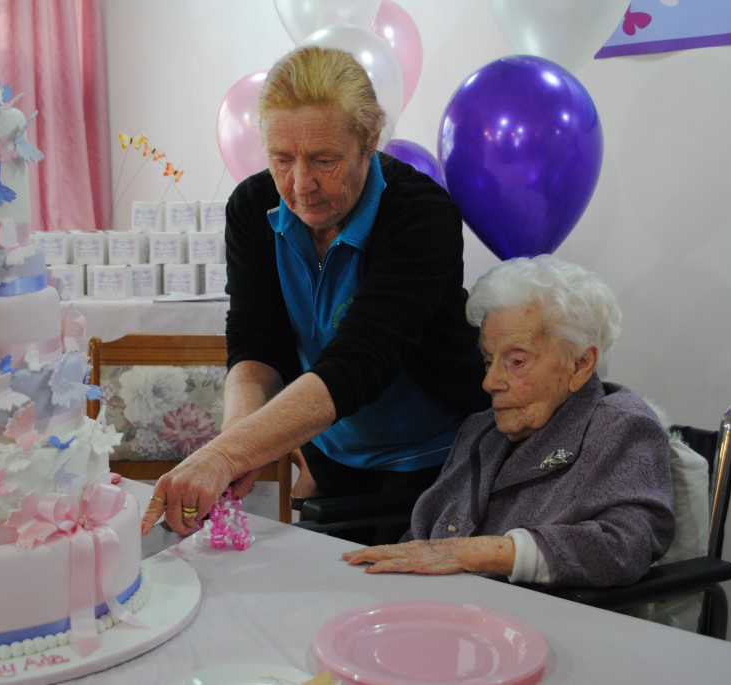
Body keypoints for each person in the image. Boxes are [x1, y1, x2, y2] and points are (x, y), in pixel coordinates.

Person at [141, 46, 488, 536]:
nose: (301, 185)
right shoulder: (252, 208)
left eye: (324, 160)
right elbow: (255, 343)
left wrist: (226, 454)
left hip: (436, 455)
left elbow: (360, 361)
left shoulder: (420, 214)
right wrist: (236, 442)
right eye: (282, 158)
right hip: (333, 450)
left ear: (369, 141)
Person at [343, 255, 676, 587]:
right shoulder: (481, 429)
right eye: (489, 361)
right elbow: (424, 534)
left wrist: (483, 553)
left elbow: (627, 544)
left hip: (530, 625)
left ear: (580, 365)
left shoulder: (620, 427)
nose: (490, 382)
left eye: (516, 361)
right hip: (431, 605)